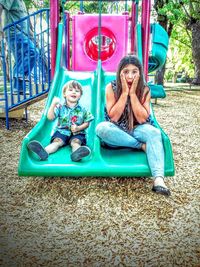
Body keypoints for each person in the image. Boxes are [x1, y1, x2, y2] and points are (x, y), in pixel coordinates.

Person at [95, 55, 171, 196]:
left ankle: (158, 180)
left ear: (140, 72)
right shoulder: (110, 87)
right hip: (117, 131)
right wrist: (124, 93)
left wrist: (133, 94)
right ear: (120, 72)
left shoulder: (145, 89)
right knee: (101, 128)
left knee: (154, 133)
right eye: (126, 71)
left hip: (138, 129)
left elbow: (142, 119)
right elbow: (114, 116)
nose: (130, 76)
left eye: (134, 71)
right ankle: (140, 146)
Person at [27, 80, 94, 162]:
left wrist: (78, 128)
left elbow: (87, 123)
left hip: (78, 132)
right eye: (70, 90)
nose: (74, 92)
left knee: (76, 142)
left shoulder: (83, 109)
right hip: (61, 131)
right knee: (57, 142)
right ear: (64, 94)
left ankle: (77, 154)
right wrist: (53, 105)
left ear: (80, 96)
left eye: (77, 91)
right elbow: (50, 117)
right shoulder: (60, 107)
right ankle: (44, 152)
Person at [0, 0, 38, 93]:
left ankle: (18, 88)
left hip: (22, 33)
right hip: (15, 33)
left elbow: (23, 21)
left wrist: (32, 36)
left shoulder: (22, 3)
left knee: (20, 59)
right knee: (32, 52)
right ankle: (20, 74)